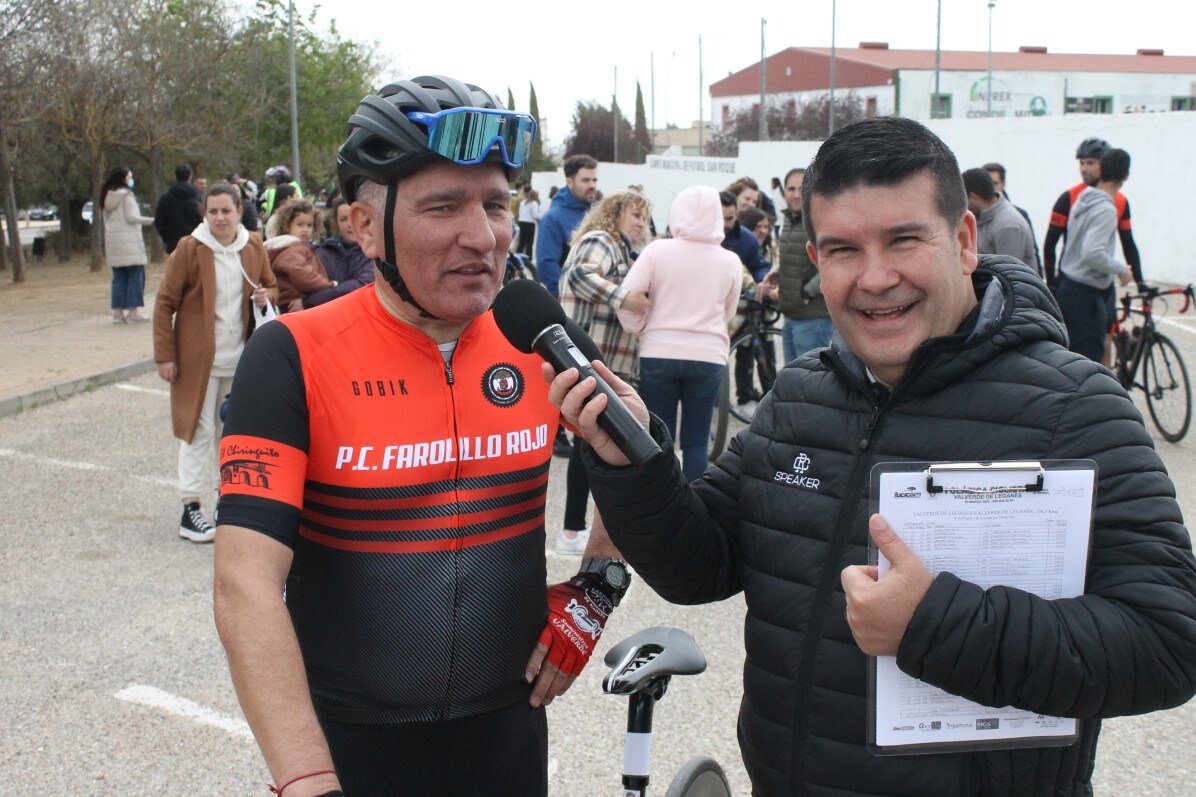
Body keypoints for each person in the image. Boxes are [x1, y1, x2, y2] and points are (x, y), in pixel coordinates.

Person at [549, 116, 1196, 797]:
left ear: (965, 240)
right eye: (843, 250)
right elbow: (699, 563)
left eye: (904, 240)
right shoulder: (798, 396)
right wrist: (632, 457)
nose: (875, 277)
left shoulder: (1075, 406)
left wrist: (937, 625)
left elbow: (1169, 640)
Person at [213, 75, 629, 797]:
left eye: (495, 204)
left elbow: (634, 462)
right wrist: (306, 777)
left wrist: (596, 586)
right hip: (350, 746)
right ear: (364, 227)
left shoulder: (536, 338)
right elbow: (244, 579)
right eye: (444, 206)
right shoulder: (294, 354)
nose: (483, 234)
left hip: (507, 737)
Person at [153, 183, 275, 543]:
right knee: (197, 433)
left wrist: (267, 295)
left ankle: (228, 501)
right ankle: (190, 507)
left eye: (226, 210)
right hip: (197, 363)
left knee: (234, 437)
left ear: (240, 211)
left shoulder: (253, 246)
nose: (219, 218)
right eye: (212, 211)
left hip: (241, 360)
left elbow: (271, 286)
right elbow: (163, 304)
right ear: (204, 214)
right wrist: (165, 356)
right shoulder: (190, 249)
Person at [615, 185, 741, 481]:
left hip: (659, 351)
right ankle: (696, 505)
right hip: (709, 355)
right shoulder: (730, 261)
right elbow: (729, 313)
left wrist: (640, 329)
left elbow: (626, 298)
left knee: (660, 437)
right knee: (697, 441)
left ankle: (661, 502)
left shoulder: (658, 251)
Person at [556, 191, 652, 555]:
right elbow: (581, 274)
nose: (641, 223)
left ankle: (575, 529)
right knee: (588, 442)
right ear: (614, 213)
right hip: (587, 355)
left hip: (599, 359)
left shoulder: (621, 249)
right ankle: (571, 530)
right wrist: (622, 298)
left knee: (590, 442)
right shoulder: (603, 240)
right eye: (636, 215)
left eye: (645, 218)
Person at [1055, 148, 1135, 363]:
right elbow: (1092, 253)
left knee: (1072, 358)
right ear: (1125, 176)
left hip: (1069, 284)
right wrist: (1121, 270)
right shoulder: (1106, 209)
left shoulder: (1084, 198)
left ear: (1101, 169)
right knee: (1087, 362)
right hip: (1085, 293)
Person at [1042, 137, 1143, 291]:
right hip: (1071, 278)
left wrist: (1140, 283)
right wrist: (1051, 284)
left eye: (1090, 163)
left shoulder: (1120, 202)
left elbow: (1128, 242)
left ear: (1104, 165)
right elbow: (1050, 244)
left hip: (1103, 282)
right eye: (1081, 163)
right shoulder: (1069, 198)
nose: (1084, 169)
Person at [762, 167, 834, 362]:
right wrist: (777, 274)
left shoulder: (822, 221)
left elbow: (833, 261)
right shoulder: (789, 220)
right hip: (791, 317)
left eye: (800, 189)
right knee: (794, 384)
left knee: (812, 385)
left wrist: (808, 291)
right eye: (790, 189)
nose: (795, 195)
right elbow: (794, 258)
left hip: (814, 318)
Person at [720, 190, 774, 416]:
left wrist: (763, 281)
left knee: (755, 350)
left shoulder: (746, 239)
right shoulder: (700, 234)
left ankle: (763, 397)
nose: (725, 224)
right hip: (714, 305)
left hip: (745, 305)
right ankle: (717, 401)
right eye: (721, 217)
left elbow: (759, 265)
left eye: (730, 218)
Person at [535, 153, 597, 299]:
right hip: (570, 304)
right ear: (569, 182)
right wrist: (566, 298)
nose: (592, 185)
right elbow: (547, 264)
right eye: (586, 180)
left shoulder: (596, 213)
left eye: (594, 180)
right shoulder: (552, 218)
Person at [100, 165, 154, 323]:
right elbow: (132, 217)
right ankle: (133, 311)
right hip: (129, 243)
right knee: (135, 276)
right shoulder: (126, 195)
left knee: (119, 278)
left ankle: (117, 312)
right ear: (123, 178)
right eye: (129, 177)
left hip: (114, 243)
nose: (131, 180)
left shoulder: (107, 196)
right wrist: (151, 220)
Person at [264, 198, 335, 312]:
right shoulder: (292, 248)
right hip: (292, 303)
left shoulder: (298, 247)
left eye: (309, 225)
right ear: (287, 226)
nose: (305, 229)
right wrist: (328, 285)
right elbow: (303, 275)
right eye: (300, 225)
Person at [962, 167, 1039, 273]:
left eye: (962, 198)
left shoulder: (1008, 226)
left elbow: (1009, 274)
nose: (961, 204)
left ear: (973, 197)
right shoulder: (981, 214)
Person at [306, 197, 375, 308]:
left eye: (355, 218)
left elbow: (360, 285)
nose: (349, 224)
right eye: (343, 219)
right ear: (336, 223)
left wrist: (306, 301)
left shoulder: (376, 251)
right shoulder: (323, 253)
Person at [982, 161, 1040, 274]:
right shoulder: (976, 213)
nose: (990, 189)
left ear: (1003, 184)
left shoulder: (1014, 217)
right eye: (986, 184)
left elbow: (1033, 254)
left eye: (994, 184)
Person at [153, 164, 203, 254]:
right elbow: (203, 218)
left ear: (175, 176)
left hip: (173, 243)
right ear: (190, 177)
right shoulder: (197, 197)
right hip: (195, 240)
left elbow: (159, 220)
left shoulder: (165, 198)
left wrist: (166, 238)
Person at [517, 188, 541, 259]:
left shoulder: (523, 202)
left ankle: (518, 255)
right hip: (530, 223)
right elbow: (535, 215)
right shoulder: (534, 203)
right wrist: (541, 215)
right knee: (529, 242)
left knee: (522, 241)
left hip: (521, 221)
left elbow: (519, 212)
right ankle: (528, 257)